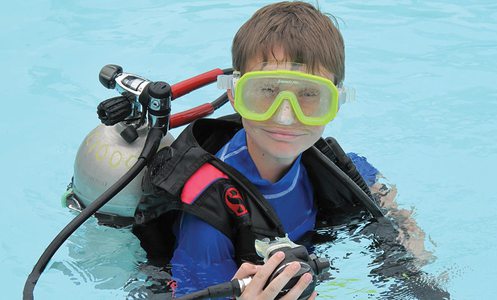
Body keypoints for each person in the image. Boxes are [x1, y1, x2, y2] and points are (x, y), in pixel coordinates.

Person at [132, 1, 431, 299]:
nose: (286, 116)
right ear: (234, 95)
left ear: (335, 103)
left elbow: (384, 201)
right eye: (267, 91)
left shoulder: (341, 171)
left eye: (310, 94)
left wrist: (402, 229)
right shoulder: (208, 216)